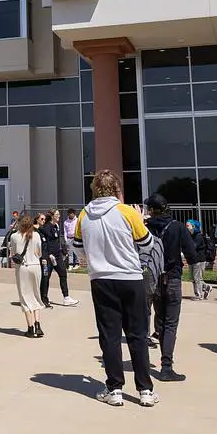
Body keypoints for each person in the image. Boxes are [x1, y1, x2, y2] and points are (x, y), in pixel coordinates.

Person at [73, 170, 158, 408]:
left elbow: (77, 247)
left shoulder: (84, 215)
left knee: (109, 335)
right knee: (137, 334)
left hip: (101, 279)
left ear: (94, 189)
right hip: (130, 277)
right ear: (117, 189)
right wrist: (141, 222)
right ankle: (145, 389)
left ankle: (114, 387)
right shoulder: (127, 212)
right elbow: (147, 244)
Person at [143, 194, 198, 382]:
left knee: (160, 319)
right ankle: (166, 367)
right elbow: (191, 254)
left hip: (153, 278)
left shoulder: (145, 228)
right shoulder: (178, 227)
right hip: (173, 277)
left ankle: (155, 359)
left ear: (151, 209)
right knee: (171, 323)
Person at [10, 213, 45, 338]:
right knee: (36, 295)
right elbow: (39, 253)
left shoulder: (14, 236)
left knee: (25, 297)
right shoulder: (36, 235)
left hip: (23, 268)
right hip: (35, 266)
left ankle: (30, 327)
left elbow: (13, 253)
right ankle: (38, 325)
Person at [39, 210, 78, 308]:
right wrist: (47, 255)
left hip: (57, 256)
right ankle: (43, 299)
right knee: (45, 278)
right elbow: (45, 243)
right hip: (48, 257)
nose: (59, 216)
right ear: (52, 216)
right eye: (57, 214)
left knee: (63, 274)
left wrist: (62, 252)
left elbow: (57, 241)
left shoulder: (56, 226)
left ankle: (66, 297)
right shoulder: (46, 227)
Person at [186, 220, 211, 301]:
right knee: (193, 278)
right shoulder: (190, 236)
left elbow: (192, 247)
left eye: (188, 226)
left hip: (199, 260)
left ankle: (198, 295)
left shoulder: (198, 236)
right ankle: (206, 287)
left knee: (197, 278)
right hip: (191, 260)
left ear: (193, 227)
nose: (186, 227)